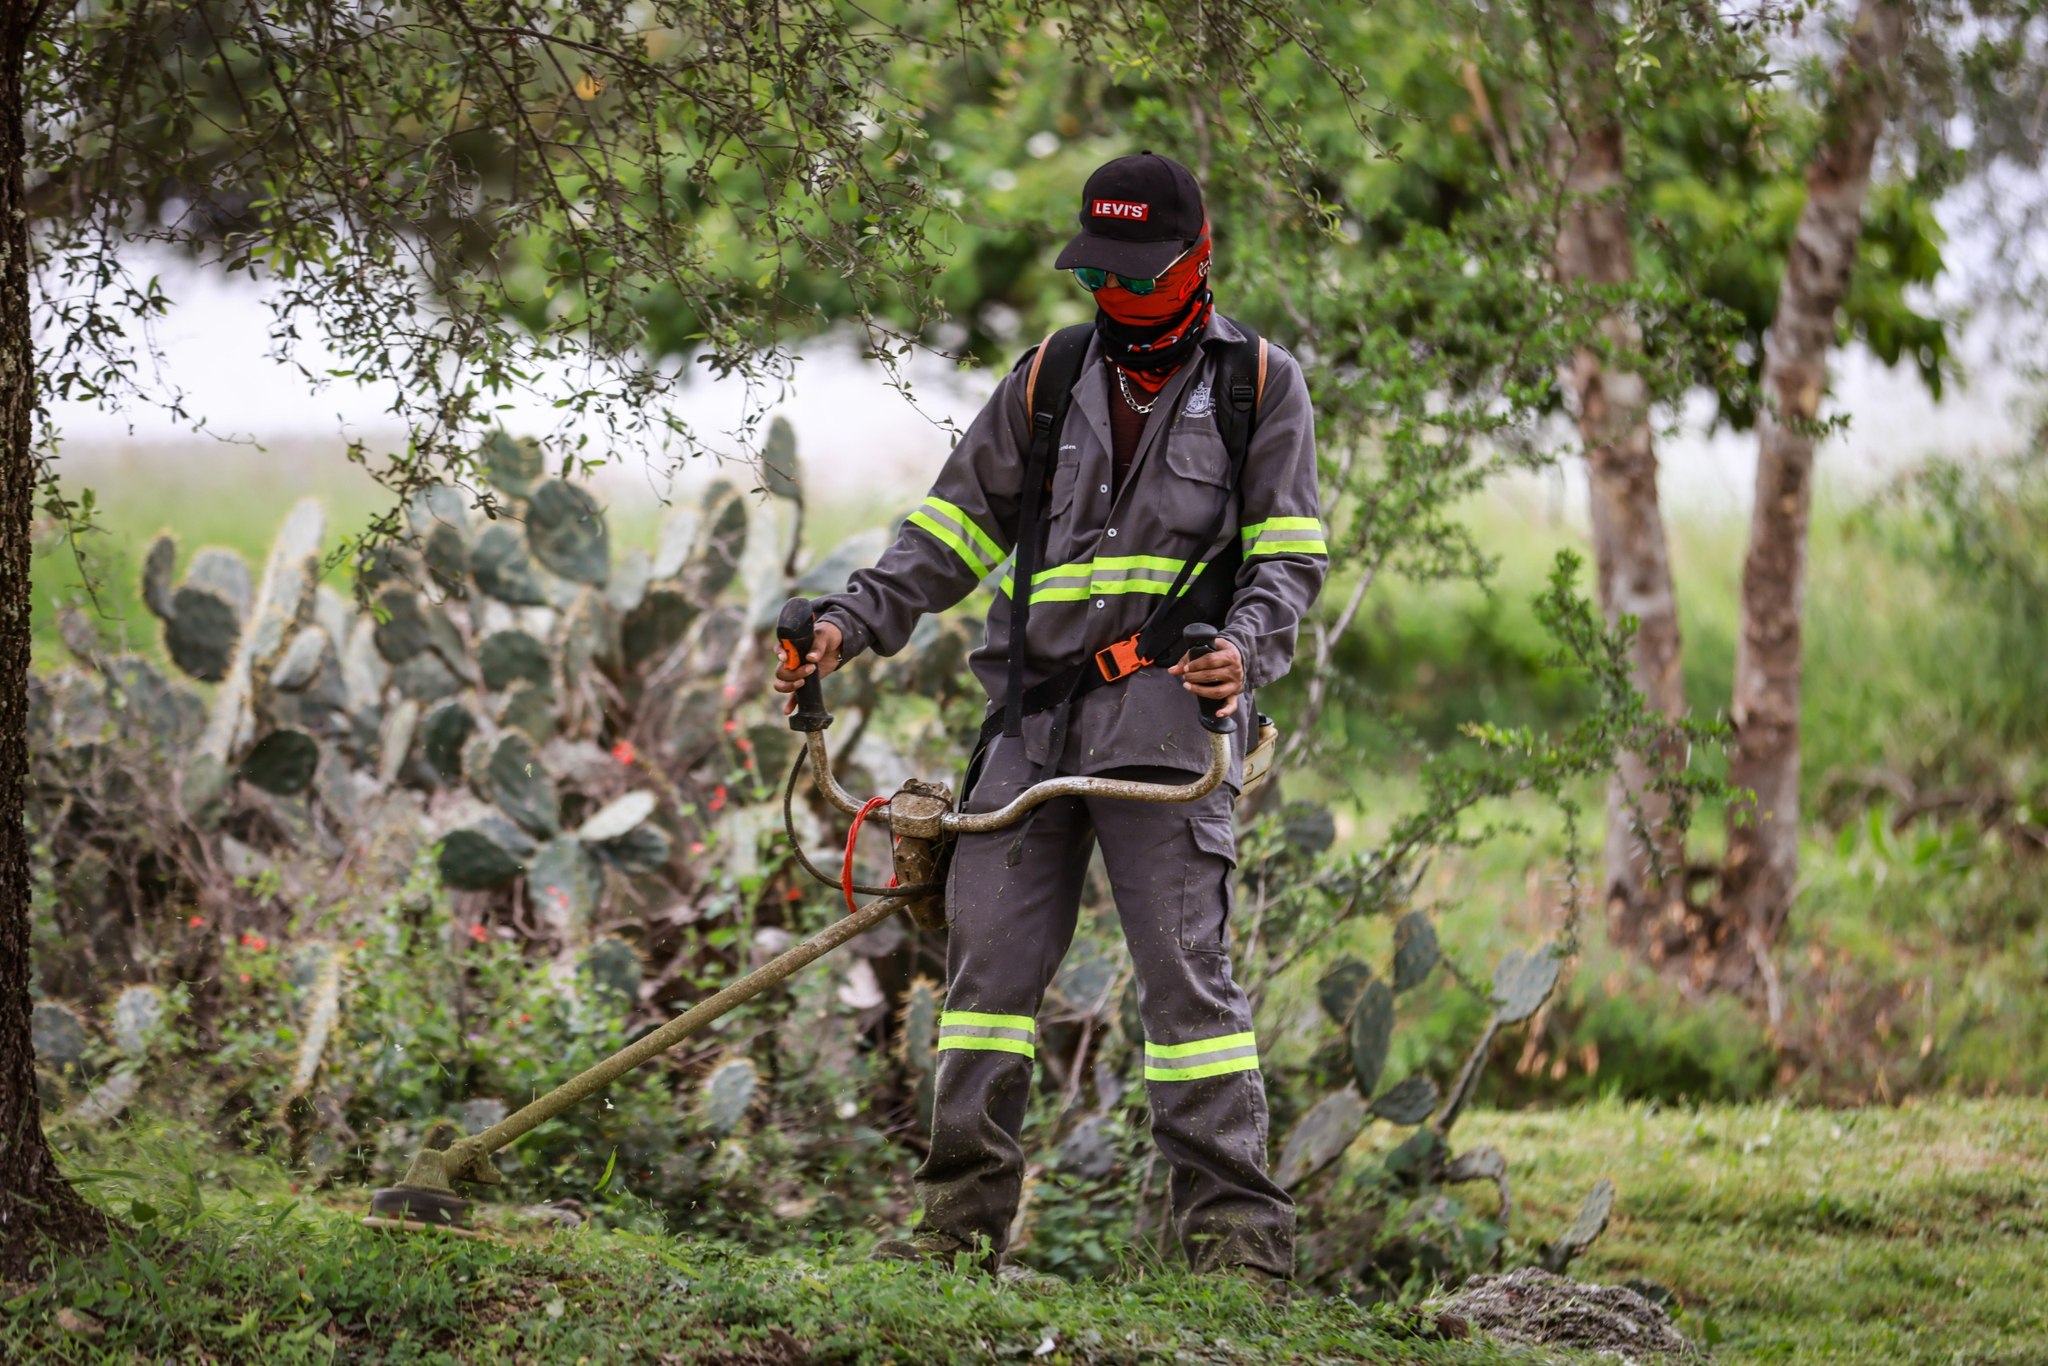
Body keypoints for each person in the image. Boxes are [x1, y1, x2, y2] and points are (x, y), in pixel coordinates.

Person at [773, 152, 1326, 1281]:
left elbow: (1287, 562)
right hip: (1028, 725)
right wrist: (849, 623)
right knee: (985, 984)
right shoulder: (1048, 376)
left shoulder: (1258, 386)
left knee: (1188, 987)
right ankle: (954, 1241)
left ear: (1196, 260)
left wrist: (1239, 651)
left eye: (1138, 277)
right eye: (1099, 277)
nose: (1114, 298)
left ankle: (1237, 1257)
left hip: (1168, 722)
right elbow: (951, 535)